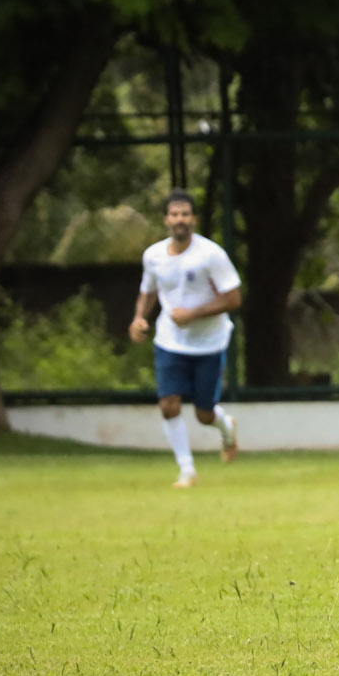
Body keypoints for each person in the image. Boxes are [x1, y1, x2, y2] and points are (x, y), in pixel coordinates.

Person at [130, 188, 241, 488]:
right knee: (169, 404)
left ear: (194, 219)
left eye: (185, 214)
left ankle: (225, 426)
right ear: (166, 219)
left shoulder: (211, 255)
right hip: (170, 342)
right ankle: (187, 470)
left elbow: (233, 299)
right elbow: (148, 291)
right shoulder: (153, 256)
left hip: (209, 343)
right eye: (174, 214)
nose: (180, 219)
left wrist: (194, 313)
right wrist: (139, 318)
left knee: (203, 414)